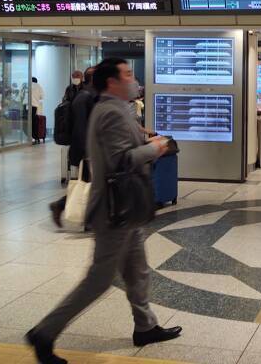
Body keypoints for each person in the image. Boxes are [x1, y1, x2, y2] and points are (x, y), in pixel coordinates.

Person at [27, 58, 181, 364]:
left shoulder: (117, 108)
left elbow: (125, 143)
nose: (133, 79)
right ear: (112, 82)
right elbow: (119, 161)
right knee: (98, 279)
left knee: (137, 271)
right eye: (127, 74)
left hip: (128, 208)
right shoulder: (109, 111)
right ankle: (44, 332)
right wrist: (156, 149)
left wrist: (145, 137)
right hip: (115, 210)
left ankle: (145, 326)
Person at [50, 67, 97, 227]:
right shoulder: (84, 97)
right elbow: (81, 128)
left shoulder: (89, 94)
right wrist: (87, 151)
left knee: (90, 183)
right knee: (88, 184)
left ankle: (85, 215)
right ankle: (64, 207)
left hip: (85, 148)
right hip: (85, 149)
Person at [31, 77, 44, 145]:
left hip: (26, 105)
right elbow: (42, 96)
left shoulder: (27, 85)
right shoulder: (38, 86)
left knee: (27, 122)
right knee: (33, 122)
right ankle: (34, 137)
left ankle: (30, 137)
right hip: (34, 106)